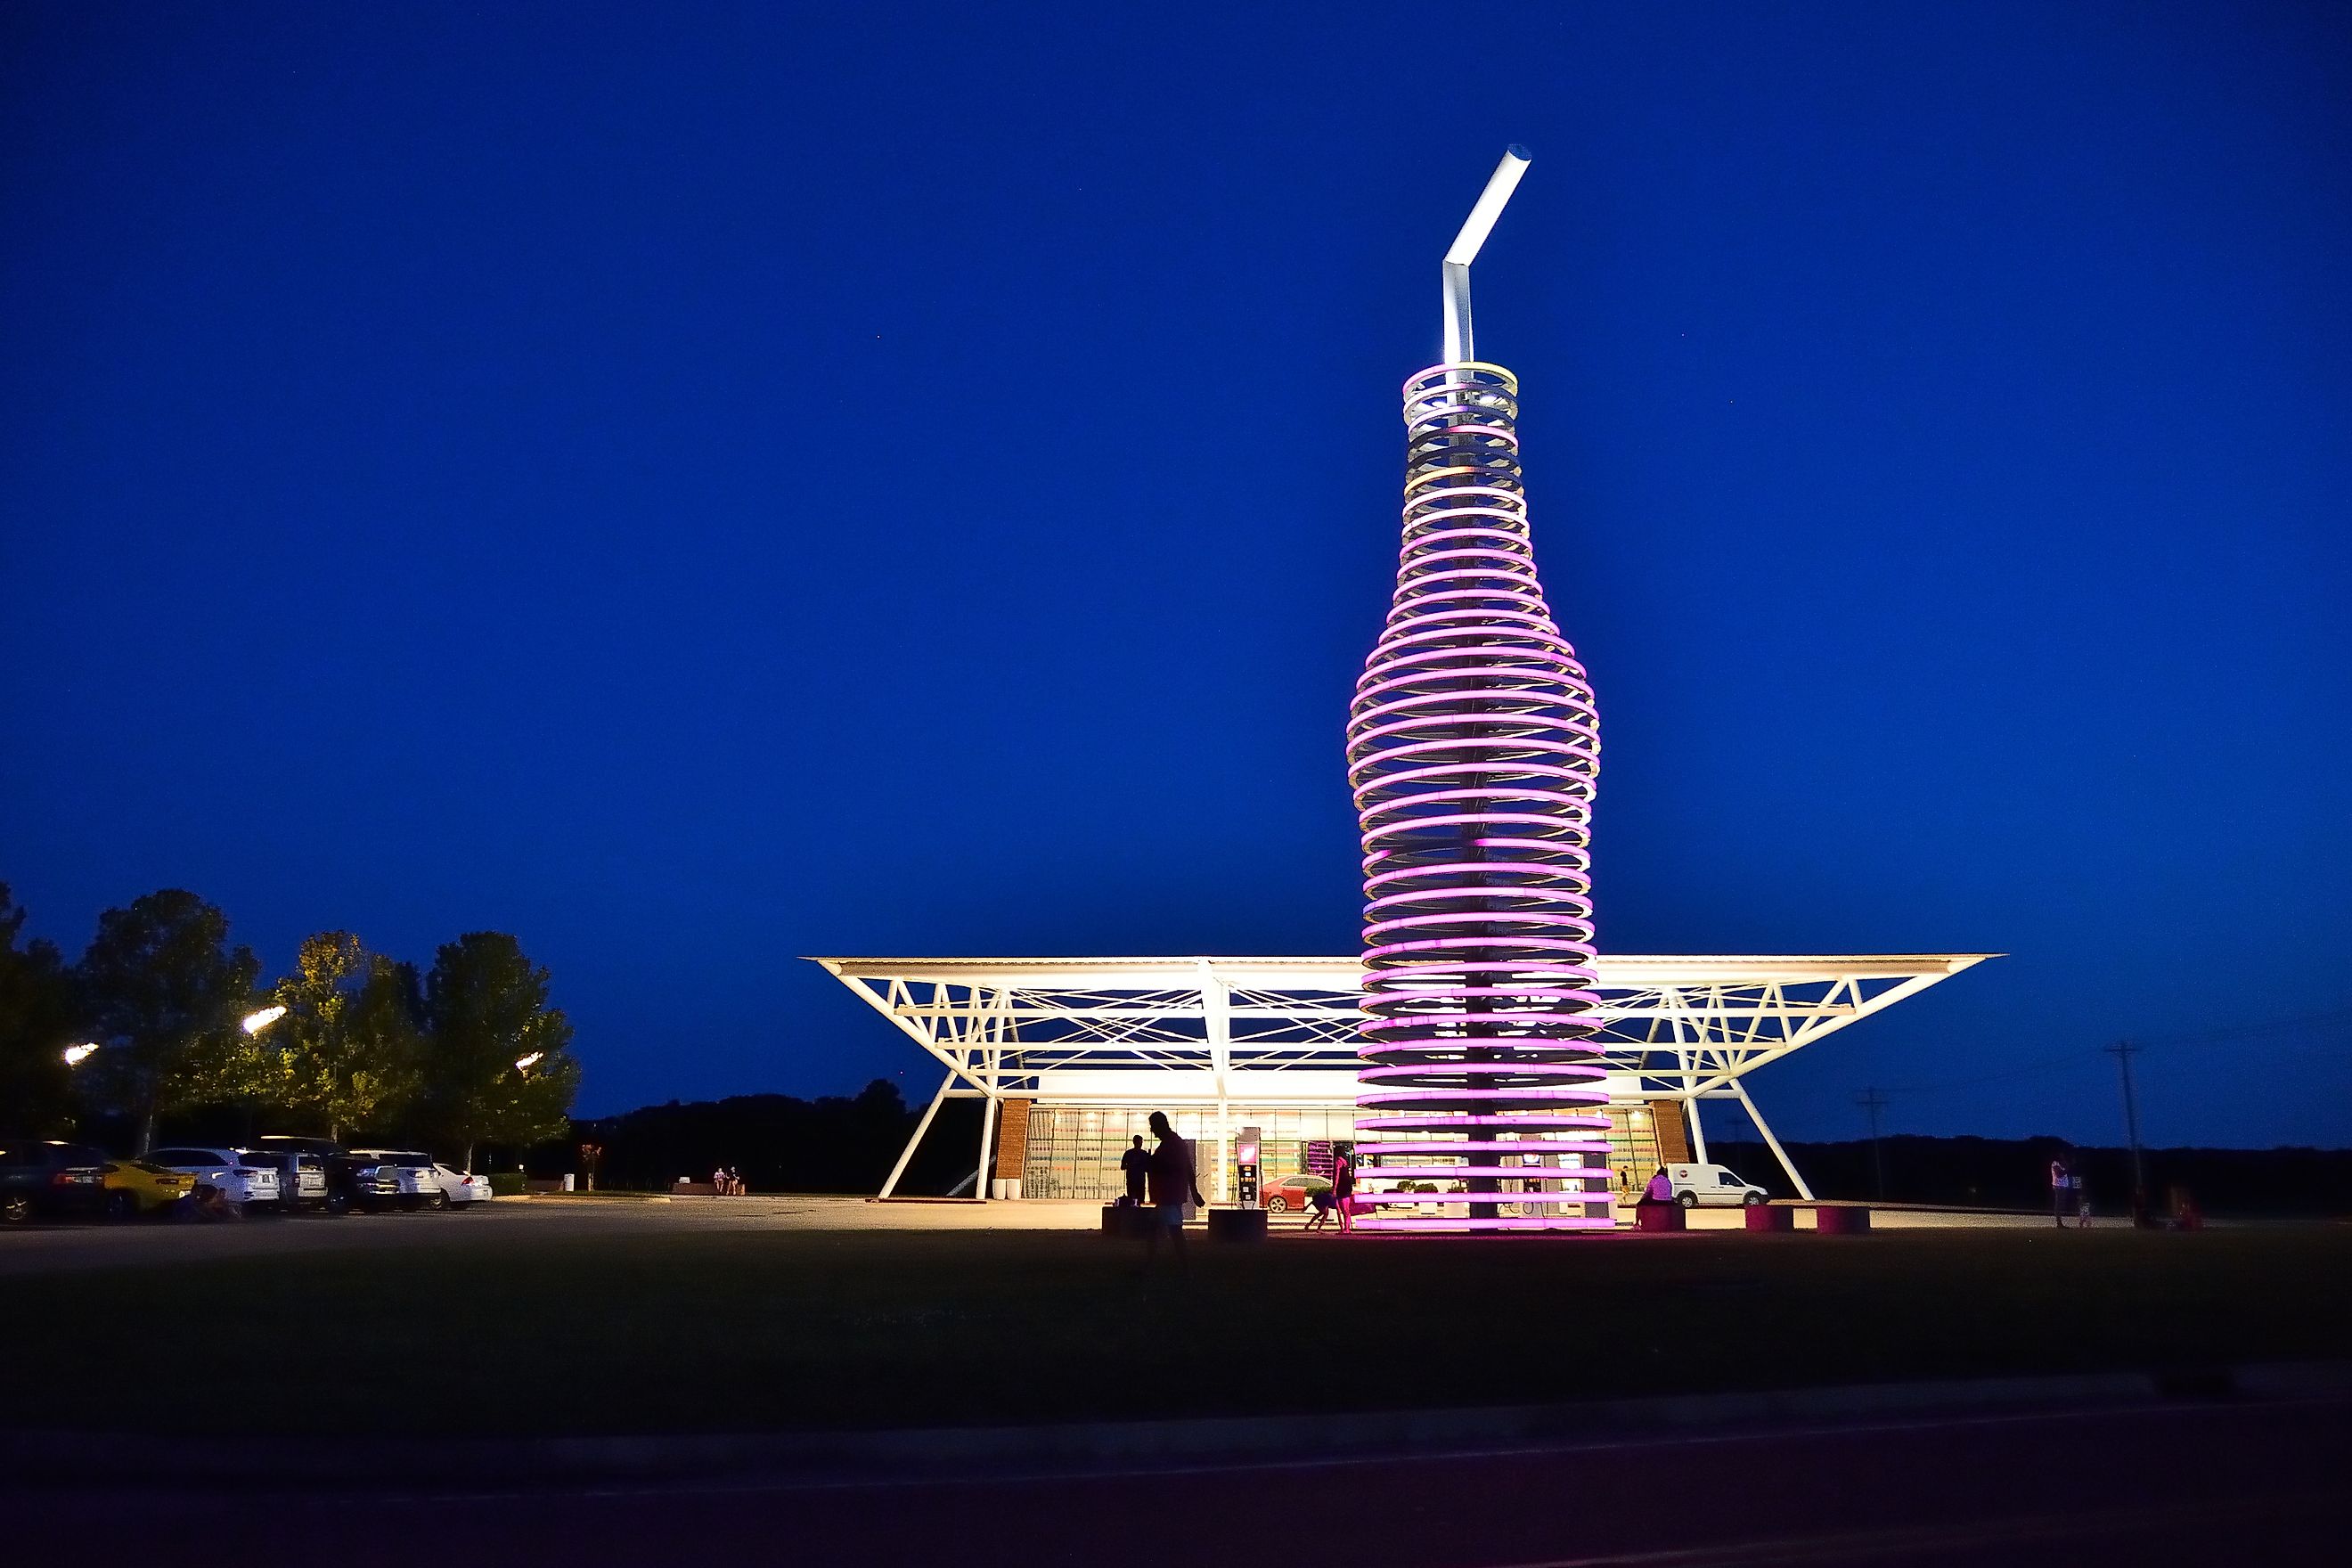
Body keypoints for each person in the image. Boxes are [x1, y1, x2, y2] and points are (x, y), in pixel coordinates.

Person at [1142, 1110, 1204, 1267]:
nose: (1152, 1131)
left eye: (1153, 1126)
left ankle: (1182, 1267)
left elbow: (1172, 1167)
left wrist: (1152, 1163)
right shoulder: (1175, 1142)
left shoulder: (1171, 1144)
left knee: (1173, 1232)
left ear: (1159, 1125)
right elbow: (1188, 1168)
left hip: (1169, 1195)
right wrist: (1194, 1192)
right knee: (1160, 1229)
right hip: (1170, 1195)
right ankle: (1153, 1264)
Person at [1118, 1135, 1150, 1207]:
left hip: (1135, 1180)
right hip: (1136, 1180)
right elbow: (1122, 1167)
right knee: (1137, 1201)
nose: (1140, 1144)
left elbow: (1123, 1167)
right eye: (1139, 1142)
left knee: (1134, 1201)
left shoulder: (1129, 1153)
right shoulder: (1143, 1154)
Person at [1333, 1147, 1357, 1233]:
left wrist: (1334, 1188)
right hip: (1347, 1186)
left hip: (1341, 1187)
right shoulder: (1345, 1162)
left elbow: (1337, 1176)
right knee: (1347, 1210)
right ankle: (1347, 1228)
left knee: (1343, 1210)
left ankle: (1345, 1229)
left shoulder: (1337, 1162)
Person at [2049, 1156, 2070, 1229]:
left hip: (2062, 1187)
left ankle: (2060, 1222)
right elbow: (2059, 1175)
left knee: (2061, 1205)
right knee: (2058, 1205)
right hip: (2058, 1187)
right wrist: (2068, 1169)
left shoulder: (2062, 1163)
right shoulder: (2055, 1163)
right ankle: (2059, 1223)